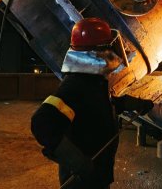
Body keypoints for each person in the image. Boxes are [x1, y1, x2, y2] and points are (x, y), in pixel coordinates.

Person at [31, 17, 154, 189]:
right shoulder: (75, 85)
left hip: (97, 174)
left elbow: (95, 108)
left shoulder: (92, 81)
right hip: (81, 181)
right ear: (98, 52)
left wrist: (133, 104)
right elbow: (42, 123)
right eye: (109, 46)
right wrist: (78, 162)